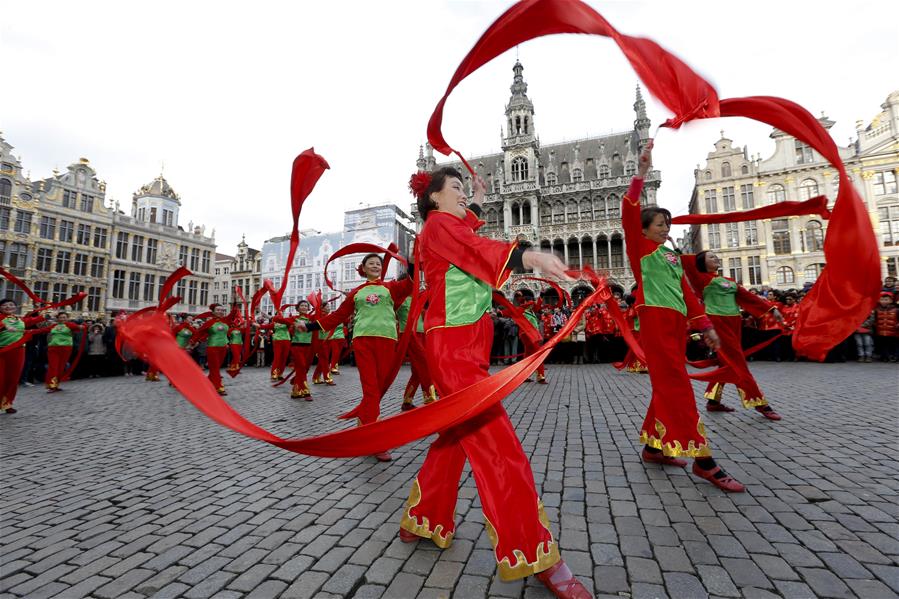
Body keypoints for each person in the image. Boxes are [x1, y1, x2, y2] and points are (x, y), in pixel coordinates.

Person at [400, 167, 591, 598]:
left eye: (464, 188)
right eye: (456, 188)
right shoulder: (438, 226)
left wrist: (478, 201)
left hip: (465, 344)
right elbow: (474, 244)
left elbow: (469, 230)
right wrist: (530, 257)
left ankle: (423, 517)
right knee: (499, 450)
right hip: (454, 350)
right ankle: (534, 551)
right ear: (433, 199)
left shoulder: (447, 227)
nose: (463, 193)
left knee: (454, 437)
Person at [625, 141, 744, 493]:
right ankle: (704, 461)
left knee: (667, 385)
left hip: (676, 327)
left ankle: (654, 447)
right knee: (676, 388)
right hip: (656, 325)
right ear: (643, 230)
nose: (666, 229)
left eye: (667, 224)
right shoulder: (641, 250)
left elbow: (689, 296)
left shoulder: (672, 257)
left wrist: (705, 326)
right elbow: (629, 210)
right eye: (659, 224)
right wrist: (641, 173)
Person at [301, 254, 413, 462]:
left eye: (378, 264)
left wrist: (413, 262)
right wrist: (309, 326)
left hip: (387, 340)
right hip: (363, 341)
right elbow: (338, 316)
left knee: (378, 389)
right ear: (363, 268)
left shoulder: (391, 287)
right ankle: (375, 441)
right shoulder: (356, 292)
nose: (375, 266)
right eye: (371, 263)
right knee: (370, 389)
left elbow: (409, 285)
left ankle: (364, 422)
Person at [683, 250, 784, 420]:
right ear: (702, 263)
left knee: (727, 362)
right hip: (717, 323)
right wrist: (675, 246)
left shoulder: (729, 281)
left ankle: (713, 402)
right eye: (711, 257)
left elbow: (748, 297)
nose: (716, 258)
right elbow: (687, 264)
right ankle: (759, 402)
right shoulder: (701, 279)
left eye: (715, 256)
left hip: (735, 323)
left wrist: (772, 309)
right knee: (738, 363)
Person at [1, 298, 44, 413]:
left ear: (16, 307)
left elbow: (33, 319)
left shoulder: (20, 320)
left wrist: (43, 313)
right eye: (5, 305)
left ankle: (7, 403)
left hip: (18, 351)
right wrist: (6, 327)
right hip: (2, 351)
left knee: (13, 379)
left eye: (11, 304)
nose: (8, 307)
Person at [188, 304, 232, 395]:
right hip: (213, 348)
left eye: (222, 310)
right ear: (213, 312)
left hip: (223, 348)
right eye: (218, 310)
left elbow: (234, 313)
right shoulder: (209, 322)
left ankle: (206, 383)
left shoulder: (225, 321)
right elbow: (199, 332)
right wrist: (193, 342)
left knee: (216, 368)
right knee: (215, 368)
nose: (220, 311)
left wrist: (235, 303)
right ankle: (219, 387)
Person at [276, 302, 316, 399]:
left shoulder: (311, 319)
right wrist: (293, 323)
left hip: (308, 347)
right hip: (297, 346)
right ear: (297, 308)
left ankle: (296, 391)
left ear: (308, 308)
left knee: (304, 368)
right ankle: (306, 392)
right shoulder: (294, 318)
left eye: (306, 306)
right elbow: (277, 319)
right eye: (302, 305)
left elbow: (322, 318)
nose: (304, 307)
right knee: (301, 366)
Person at [42, 311, 85, 393]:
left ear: (67, 318)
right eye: (60, 317)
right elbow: (42, 330)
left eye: (64, 317)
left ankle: (56, 385)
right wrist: (29, 331)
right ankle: (51, 386)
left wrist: (83, 326)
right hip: (53, 348)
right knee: (53, 367)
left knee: (61, 367)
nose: (62, 319)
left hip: (66, 349)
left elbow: (79, 328)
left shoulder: (70, 325)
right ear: (57, 318)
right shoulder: (54, 326)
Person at [312, 303, 336, 386]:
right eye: (327, 306)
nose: (329, 308)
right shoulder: (319, 316)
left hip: (328, 340)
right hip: (321, 341)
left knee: (322, 360)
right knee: (325, 360)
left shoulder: (328, 316)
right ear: (322, 308)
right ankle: (327, 378)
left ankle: (316, 377)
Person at [874, 292, 899, 362]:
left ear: (891, 300)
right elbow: (875, 319)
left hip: (893, 331)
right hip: (881, 331)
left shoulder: (896, 310)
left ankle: (894, 356)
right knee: (883, 344)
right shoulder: (877, 310)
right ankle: (884, 356)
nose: (884, 301)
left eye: (886, 299)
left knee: (893, 344)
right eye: (882, 299)